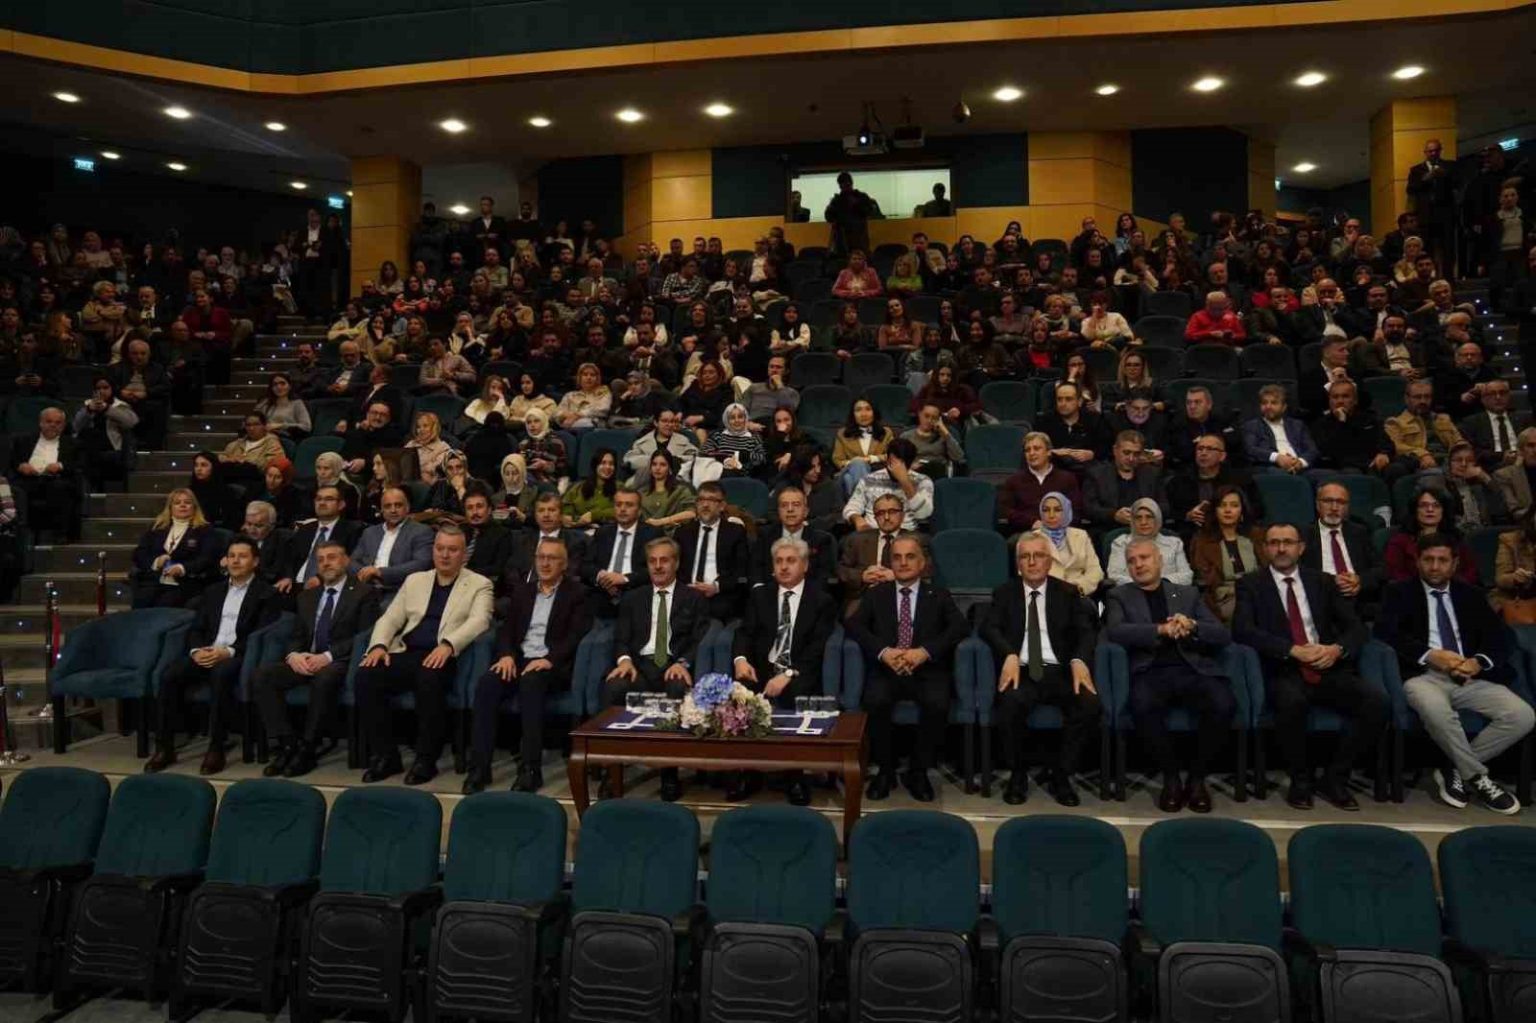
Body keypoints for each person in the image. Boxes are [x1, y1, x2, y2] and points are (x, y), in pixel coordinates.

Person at [1233, 523, 1387, 810]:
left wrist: (1335, 649)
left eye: (1288, 542)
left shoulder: (1323, 582)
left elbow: (1356, 628)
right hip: (1284, 668)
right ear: (1265, 549)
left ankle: (1335, 777)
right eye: (1274, 543)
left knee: (1376, 703)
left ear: (1301, 548)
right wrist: (1291, 650)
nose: (1281, 549)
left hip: (1327, 665)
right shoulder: (1251, 584)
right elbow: (1242, 630)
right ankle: (1301, 780)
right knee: (1292, 702)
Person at [1378, 533, 1533, 814]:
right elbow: (1385, 633)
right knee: (1438, 710)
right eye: (1428, 560)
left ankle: (1455, 769)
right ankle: (1478, 778)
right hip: (1423, 676)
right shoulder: (1399, 592)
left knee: (1522, 715)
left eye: (1442, 560)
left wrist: (1479, 662)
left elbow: (1502, 637)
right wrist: (1430, 654)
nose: (1435, 567)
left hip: (1469, 676)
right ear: (1418, 562)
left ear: (1454, 563)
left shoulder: (1470, 595)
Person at [1105, 537, 1238, 813]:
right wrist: (1160, 630)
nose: (1138, 565)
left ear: (1160, 560)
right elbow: (1116, 631)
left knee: (1223, 703)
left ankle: (1197, 778)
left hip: (1192, 667)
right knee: (1142, 705)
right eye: (1132, 561)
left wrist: (1192, 625)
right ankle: (1171, 777)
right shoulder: (1120, 596)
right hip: (1150, 670)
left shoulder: (1187, 594)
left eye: (1144, 558)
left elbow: (1221, 634)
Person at [355, 524, 495, 784]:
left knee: (428, 678)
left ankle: (425, 760)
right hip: (406, 651)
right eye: (440, 549)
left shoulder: (479, 584)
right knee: (366, 675)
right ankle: (386, 755)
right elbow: (390, 618)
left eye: (452, 550)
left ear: (463, 554)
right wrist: (379, 646)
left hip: (444, 656)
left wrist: (449, 645)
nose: (445, 555)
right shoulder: (415, 580)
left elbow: (480, 621)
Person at [845, 536, 969, 802]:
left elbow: (959, 627)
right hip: (887, 668)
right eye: (897, 558)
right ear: (890, 563)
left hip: (926, 670)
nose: (903, 563)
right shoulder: (876, 594)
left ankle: (919, 771)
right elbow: (854, 625)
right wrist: (884, 652)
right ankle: (885, 770)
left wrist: (924, 652)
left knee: (937, 703)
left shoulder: (938, 594)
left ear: (922, 563)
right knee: (875, 700)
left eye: (910, 557)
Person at [143, 537, 280, 775]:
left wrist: (227, 651)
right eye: (232, 556)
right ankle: (165, 747)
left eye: (243, 556)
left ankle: (216, 746)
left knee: (221, 674)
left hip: (239, 655)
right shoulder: (213, 591)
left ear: (255, 562)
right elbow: (197, 628)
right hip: (207, 651)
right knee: (169, 675)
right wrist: (197, 651)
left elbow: (260, 633)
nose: (235, 561)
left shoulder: (266, 593)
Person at [983, 532, 1101, 806]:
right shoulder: (1005, 593)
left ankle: (1062, 774)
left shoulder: (1067, 592)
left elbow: (1086, 632)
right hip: (1023, 670)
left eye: (1038, 556)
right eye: (1025, 556)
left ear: (1049, 562)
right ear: (1018, 564)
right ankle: (1018, 774)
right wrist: (1009, 654)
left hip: (1060, 671)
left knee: (1089, 705)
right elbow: (989, 627)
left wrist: (1079, 660)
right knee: (1008, 702)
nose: (1032, 561)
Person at [466, 537, 591, 795]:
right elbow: (506, 630)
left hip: (551, 664)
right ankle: (479, 768)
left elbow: (576, 635)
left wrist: (550, 659)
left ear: (564, 564)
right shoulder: (523, 592)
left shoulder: (577, 594)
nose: (545, 563)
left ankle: (530, 770)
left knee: (531, 683)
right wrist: (506, 655)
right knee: (487, 684)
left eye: (552, 558)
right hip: (519, 659)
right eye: (541, 557)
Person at [726, 535, 839, 807]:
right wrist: (740, 660)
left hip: (799, 671)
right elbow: (744, 632)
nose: (784, 567)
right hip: (762, 668)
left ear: (805, 565)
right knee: (740, 694)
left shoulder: (821, 600)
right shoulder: (760, 596)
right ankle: (747, 773)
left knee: (792, 694)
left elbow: (816, 648)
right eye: (779, 561)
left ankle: (794, 776)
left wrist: (787, 674)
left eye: (791, 561)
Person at [253, 541, 380, 779]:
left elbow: (365, 635)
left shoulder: (364, 593)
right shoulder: (307, 596)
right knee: (263, 675)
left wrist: (327, 656)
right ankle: (288, 743)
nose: (326, 563)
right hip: (307, 658)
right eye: (320, 560)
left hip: (340, 661)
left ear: (346, 561)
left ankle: (308, 748)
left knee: (325, 677)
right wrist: (294, 655)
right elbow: (297, 635)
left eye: (332, 557)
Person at [604, 538, 713, 800]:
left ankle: (669, 774)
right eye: (652, 561)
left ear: (676, 563)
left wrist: (683, 663)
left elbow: (700, 638)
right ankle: (611, 772)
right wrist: (624, 660)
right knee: (614, 686)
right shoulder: (633, 598)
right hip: (639, 666)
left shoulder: (694, 598)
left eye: (664, 560)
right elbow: (621, 638)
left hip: (673, 665)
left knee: (676, 688)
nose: (658, 566)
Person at [1300, 481, 1386, 610]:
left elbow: (1381, 569)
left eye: (1341, 502)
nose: (1334, 507)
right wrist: (1330, 581)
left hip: (1358, 601)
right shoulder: (1303, 534)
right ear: (1317, 505)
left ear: (1347, 507)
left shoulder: (1360, 532)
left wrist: (1360, 580)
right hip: (1320, 600)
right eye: (1328, 501)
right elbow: (1298, 572)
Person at [130, 488, 219, 608]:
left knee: (164, 603)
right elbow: (139, 553)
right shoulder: (157, 528)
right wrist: (156, 562)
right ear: (170, 508)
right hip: (155, 580)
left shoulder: (204, 530)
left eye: (187, 502)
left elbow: (207, 558)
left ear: (194, 507)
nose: (183, 505)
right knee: (142, 601)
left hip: (185, 583)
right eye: (177, 503)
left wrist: (182, 568)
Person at [675, 481, 751, 621]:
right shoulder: (683, 532)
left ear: (722, 506)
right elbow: (676, 568)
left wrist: (716, 587)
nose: (705, 505)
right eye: (701, 500)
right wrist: (685, 588)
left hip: (720, 596)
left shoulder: (735, 532)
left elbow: (741, 571)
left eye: (711, 500)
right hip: (687, 595)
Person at [582, 487, 662, 617]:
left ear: (639, 511)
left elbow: (657, 569)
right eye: (618, 505)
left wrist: (625, 579)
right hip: (602, 593)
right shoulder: (603, 532)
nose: (622, 509)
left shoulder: (652, 534)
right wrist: (602, 577)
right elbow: (586, 565)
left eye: (629, 505)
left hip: (636, 593)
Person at [1189, 485, 1265, 623]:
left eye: (1234, 505)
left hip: (1257, 593)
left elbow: (1268, 569)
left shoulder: (1256, 536)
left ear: (1242, 510)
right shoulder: (1202, 540)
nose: (1228, 510)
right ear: (1215, 510)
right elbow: (1204, 578)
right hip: (1223, 599)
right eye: (1222, 505)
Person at [349, 486, 435, 606]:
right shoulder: (369, 532)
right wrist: (365, 572)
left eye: (398, 505)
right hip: (367, 589)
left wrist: (380, 572)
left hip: (399, 591)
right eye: (388, 506)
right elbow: (353, 561)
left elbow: (421, 564)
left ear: (407, 508)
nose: (393, 510)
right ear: (381, 510)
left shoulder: (421, 531)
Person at [274, 485, 365, 596]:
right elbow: (290, 558)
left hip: (328, 584)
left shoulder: (353, 530)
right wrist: (288, 577)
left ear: (341, 504)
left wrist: (320, 578)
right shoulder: (305, 529)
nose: (322, 503)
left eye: (328, 499)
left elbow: (349, 562)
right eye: (318, 499)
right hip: (296, 585)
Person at [10, 406, 81, 542]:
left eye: (58, 422)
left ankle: (58, 534)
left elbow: (79, 464)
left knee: (60, 488)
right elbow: (12, 461)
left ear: (63, 426)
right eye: (49, 421)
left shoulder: (72, 443)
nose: (53, 425)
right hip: (27, 480)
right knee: (16, 490)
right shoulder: (23, 440)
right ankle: (19, 533)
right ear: (40, 423)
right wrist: (21, 466)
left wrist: (60, 466)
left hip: (55, 479)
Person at [1385, 486, 1478, 585]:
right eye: (1423, 506)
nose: (1430, 509)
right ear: (1415, 510)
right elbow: (1396, 574)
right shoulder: (1399, 542)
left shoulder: (1456, 538)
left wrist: (1449, 588)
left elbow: (1470, 572)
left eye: (1436, 506)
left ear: (1443, 510)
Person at [842, 437, 934, 532]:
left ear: (910, 464)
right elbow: (852, 506)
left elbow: (924, 514)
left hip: (906, 532)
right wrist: (857, 519)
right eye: (892, 462)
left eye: (901, 465)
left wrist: (905, 481)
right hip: (872, 531)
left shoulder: (922, 481)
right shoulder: (869, 479)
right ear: (887, 459)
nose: (895, 468)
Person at [1082, 430, 1166, 533]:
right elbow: (1090, 508)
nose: (1131, 458)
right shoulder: (1097, 474)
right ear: (1115, 450)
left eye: (1136, 454)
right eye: (1126, 453)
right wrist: (1114, 515)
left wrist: (1144, 513)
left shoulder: (1152, 474)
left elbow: (1164, 507)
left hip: (1146, 530)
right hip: (1108, 529)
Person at [1001, 432, 1085, 533]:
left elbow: (1076, 511)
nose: (1031, 453)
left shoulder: (1067, 479)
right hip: (1026, 532)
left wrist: (1056, 526)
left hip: (1061, 532)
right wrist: (1032, 522)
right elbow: (1006, 511)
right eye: (1027, 450)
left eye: (1036, 448)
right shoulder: (1013, 481)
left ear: (1049, 452)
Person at [752, 484, 834, 587]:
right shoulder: (764, 535)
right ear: (778, 511)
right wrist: (760, 592)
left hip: (807, 594)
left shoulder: (821, 540)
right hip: (769, 592)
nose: (790, 509)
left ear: (806, 511)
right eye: (784, 505)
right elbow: (756, 571)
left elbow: (823, 577)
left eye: (796, 505)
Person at [1386, 379, 1464, 484]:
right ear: (1407, 399)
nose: (1423, 401)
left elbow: (1458, 440)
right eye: (1417, 397)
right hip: (1423, 465)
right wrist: (1422, 454)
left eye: (1427, 397)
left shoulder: (1443, 419)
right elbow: (1396, 446)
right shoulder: (1395, 422)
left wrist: (1464, 454)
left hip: (1449, 461)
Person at [1106, 498, 1193, 586]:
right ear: (1132, 521)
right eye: (1138, 518)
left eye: (1149, 517)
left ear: (1158, 519)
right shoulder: (1121, 543)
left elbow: (1187, 576)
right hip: (1133, 592)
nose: (1143, 522)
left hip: (1170, 591)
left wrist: (1159, 584)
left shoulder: (1174, 543)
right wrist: (1145, 585)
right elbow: (1114, 576)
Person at [73, 376, 139, 491]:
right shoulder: (87, 405)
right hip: (90, 447)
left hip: (113, 448)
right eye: (98, 388)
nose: (102, 391)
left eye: (105, 388)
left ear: (112, 389)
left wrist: (107, 409)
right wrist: (88, 410)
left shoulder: (120, 405)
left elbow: (132, 421)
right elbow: (76, 426)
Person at [1241, 385, 1319, 473]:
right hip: (1271, 469)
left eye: (1274, 403)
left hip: (1301, 469)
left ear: (1284, 407)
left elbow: (1312, 450)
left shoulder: (1297, 425)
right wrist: (1277, 457)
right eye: (1264, 403)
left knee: (1329, 476)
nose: (1268, 406)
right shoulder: (1252, 426)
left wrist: (1300, 462)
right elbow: (1250, 449)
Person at [1036, 381, 1114, 469]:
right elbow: (1035, 448)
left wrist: (1092, 454)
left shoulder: (1095, 420)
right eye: (1059, 399)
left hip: (1089, 469)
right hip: (1055, 469)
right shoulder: (1045, 421)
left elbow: (1107, 448)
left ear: (1079, 401)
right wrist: (1052, 452)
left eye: (1068, 399)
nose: (1063, 404)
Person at [701, 402, 766, 478]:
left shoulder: (754, 437)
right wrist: (726, 460)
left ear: (745, 419)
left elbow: (762, 458)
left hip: (743, 476)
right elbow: (704, 452)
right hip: (718, 473)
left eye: (740, 417)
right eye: (732, 418)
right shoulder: (718, 435)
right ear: (727, 420)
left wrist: (743, 458)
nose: (736, 420)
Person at [824, 172, 874, 256]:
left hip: (859, 236)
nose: (845, 187)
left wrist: (856, 204)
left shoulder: (861, 197)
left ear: (851, 183)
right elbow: (828, 217)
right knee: (842, 259)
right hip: (842, 238)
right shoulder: (837, 200)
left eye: (846, 184)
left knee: (860, 257)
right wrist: (832, 207)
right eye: (842, 185)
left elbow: (869, 212)